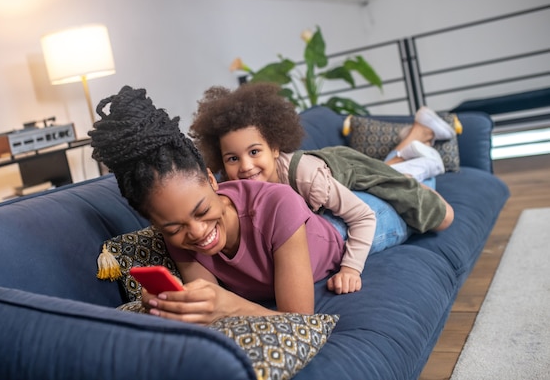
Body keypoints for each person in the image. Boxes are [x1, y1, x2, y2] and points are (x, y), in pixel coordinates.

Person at [89, 85, 375, 326]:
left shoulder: (279, 204)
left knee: (397, 200)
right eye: (174, 227)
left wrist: (230, 305)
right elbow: (210, 310)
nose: (197, 232)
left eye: (201, 211)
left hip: (336, 235)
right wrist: (173, 305)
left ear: (213, 180)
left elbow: (298, 322)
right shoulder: (179, 236)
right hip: (306, 221)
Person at [189, 82, 455, 255]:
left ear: (274, 147)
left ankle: (423, 159)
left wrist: (351, 268)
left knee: (438, 214)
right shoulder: (232, 188)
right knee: (384, 172)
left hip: (347, 171)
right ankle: (416, 135)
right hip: (326, 176)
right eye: (232, 159)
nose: (245, 167)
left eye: (254, 152)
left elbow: (362, 216)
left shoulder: (306, 177)